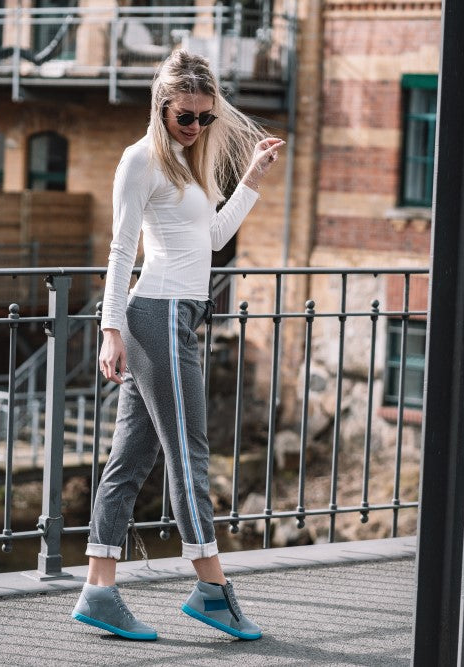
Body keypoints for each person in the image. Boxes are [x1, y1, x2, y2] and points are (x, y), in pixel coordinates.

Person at [71, 49, 284, 642]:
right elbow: (120, 251)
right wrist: (109, 330)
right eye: (184, 116)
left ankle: (99, 591)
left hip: (179, 315)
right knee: (189, 454)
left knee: (130, 463)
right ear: (160, 107)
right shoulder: (140, 161)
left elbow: (211, 239)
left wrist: (249, 182)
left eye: (204, 118)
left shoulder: (192, 167)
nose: (194, 127)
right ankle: (213, 590)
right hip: (155, 315)